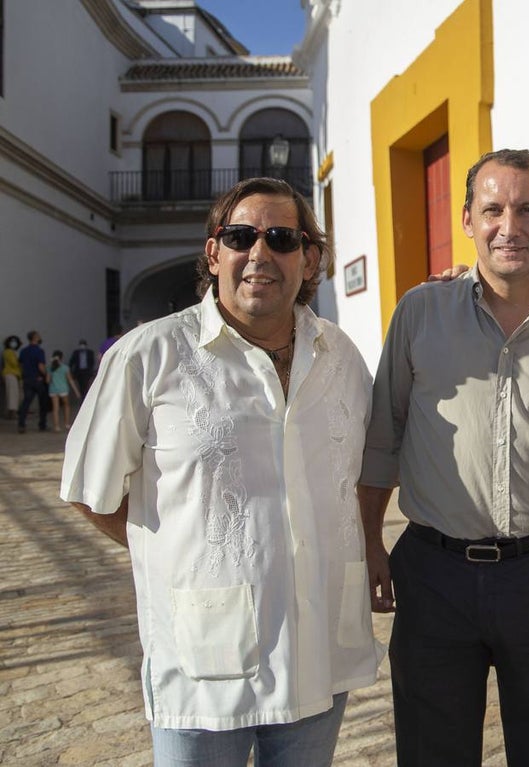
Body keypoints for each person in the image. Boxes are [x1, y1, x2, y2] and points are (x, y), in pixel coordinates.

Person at [60, 177, 379, 767]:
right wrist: (171, 552)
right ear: (214, 252)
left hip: (318, 659)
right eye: (240, 236)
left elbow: (362, 472)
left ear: (309, 258)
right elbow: (90, 491)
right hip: (203, 673)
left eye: (282, 238)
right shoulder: (148, 356)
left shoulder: (341, 357)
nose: (260, 254)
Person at [359, 148, 529, 766]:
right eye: (493, 210)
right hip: (434, 575)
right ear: (466, 220)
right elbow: (384, 437)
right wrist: (372, 542)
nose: (510, 226)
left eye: (527, 209)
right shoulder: (419, 313)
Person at [17, 330, 49, 434]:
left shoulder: (23, 351)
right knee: (43, 403)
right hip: (38, 380)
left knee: (26, 402)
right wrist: (46, 374)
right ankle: (42, 424)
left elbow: (21, 365)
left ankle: (21, 424)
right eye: (38, 336)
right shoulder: (39, 351)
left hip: (27, 379)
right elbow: (41, 366)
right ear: (35, 338)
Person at [47, 349, 80, 431]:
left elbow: (47, 380)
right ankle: (67, 424)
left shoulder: (50, 368)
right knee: (66, 406)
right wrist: (76, 391)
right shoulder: (65, 368)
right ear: (61, 358)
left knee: (55, 408)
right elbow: (70, 380)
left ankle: (56, 426)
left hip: (53, 390)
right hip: (63, 389)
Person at [2, 335, 20, 419]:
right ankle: (12, 413)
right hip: (10, 374)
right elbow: (14, 363)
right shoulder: (8, 352)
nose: (14, 343)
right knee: (12, 394)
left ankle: (11, 413)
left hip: (14, 374)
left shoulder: (13, 352)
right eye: (12, 341)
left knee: (13, 394)